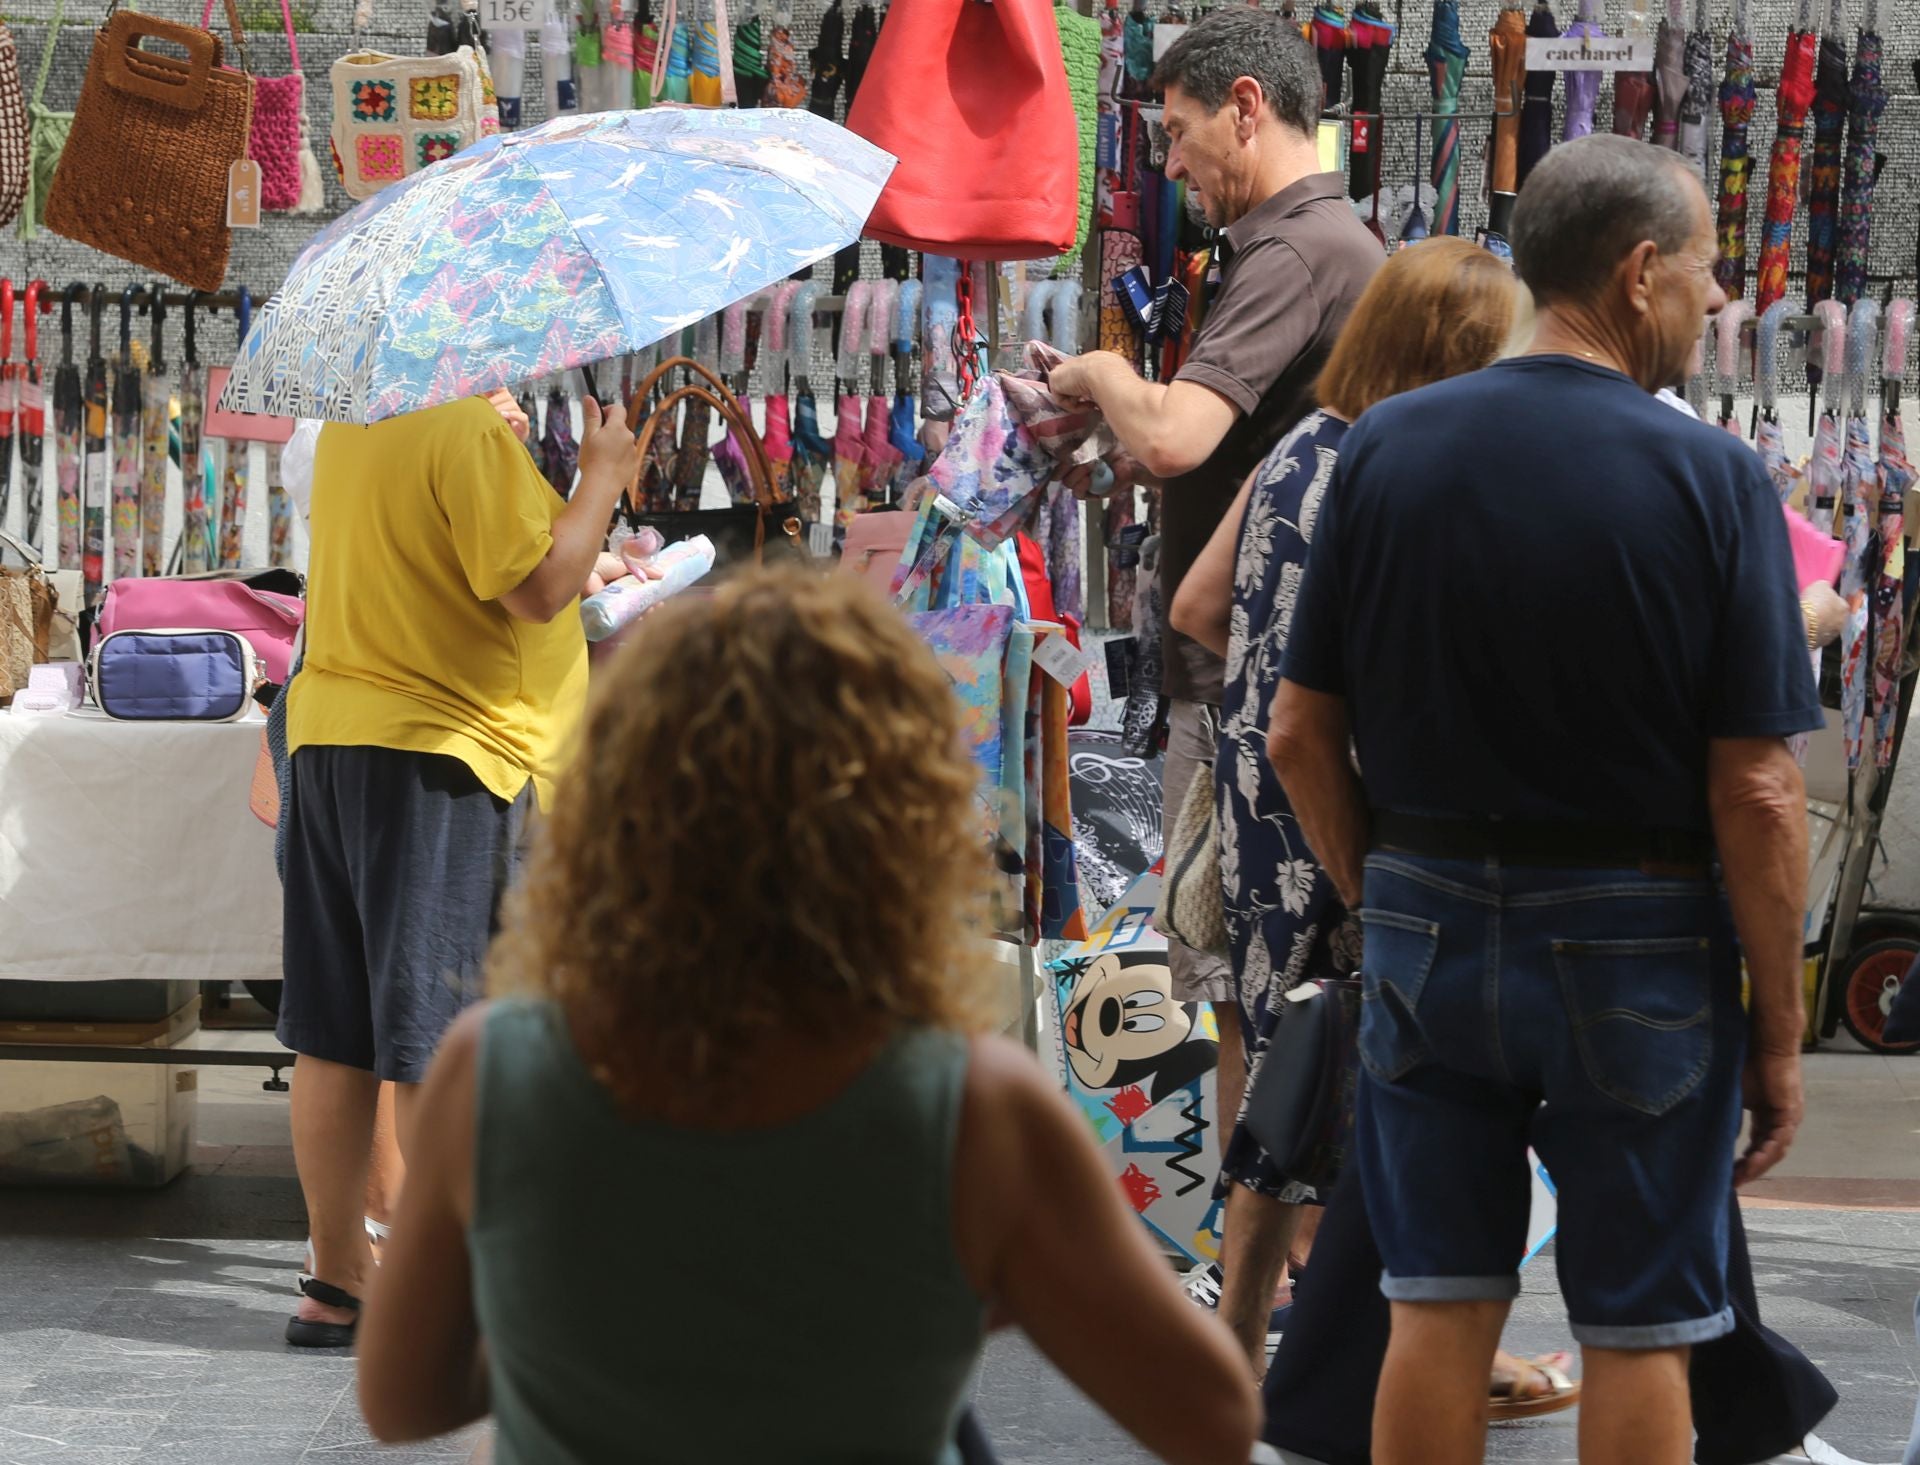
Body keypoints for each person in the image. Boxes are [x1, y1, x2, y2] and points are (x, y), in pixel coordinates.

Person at [355, 569, 1263, 1465]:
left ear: (619, 811)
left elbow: (401, 1399)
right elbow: (1214, 1420)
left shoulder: (499, 1068)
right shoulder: (974, 1108)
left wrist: (576, 1326)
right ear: (908, 821)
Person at [1268, 134, 1819, 1465]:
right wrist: (1783, 1027)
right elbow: (1756, 786)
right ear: (1637, 274)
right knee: (1641, 1326)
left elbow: (1298, 731)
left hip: (1425, 921)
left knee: (1436, 1306)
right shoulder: (1711, 477)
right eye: (1700, 271)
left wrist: (1386, 897)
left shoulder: (1385, 449)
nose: (1712, 299)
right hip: (1639, 934)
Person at [1169, 238, 1525, 1378]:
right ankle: (1403, 1352)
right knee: (1399, 1081)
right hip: (1356, 800)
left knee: (1296, 1058)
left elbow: (1197, 605)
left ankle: (1242, 1330)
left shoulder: (1296, 449)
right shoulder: (1409, 464)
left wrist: (1275, 681)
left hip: (1265, 791)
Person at [1050, 8, 1383, 1175]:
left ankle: (1275, 1262)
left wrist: (1101, 371)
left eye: (1180, 131)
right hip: (1249, 672)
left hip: (1249, 684)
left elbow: (1185, 437)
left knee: (1254, 978)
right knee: (1248, 979)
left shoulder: (1296, 251)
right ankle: (1270, 1258)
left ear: (1247, 106)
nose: (1170, 162)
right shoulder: (1306, 247)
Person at [277, 388, 643, 1347]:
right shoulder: (463, 430)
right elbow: (538, 587)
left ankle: (336, 1281)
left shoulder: (358, 425)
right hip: (442, 752)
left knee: (335, 1029)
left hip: (331, 742)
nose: (518, 387)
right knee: (437, 1033)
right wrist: (601, 475)